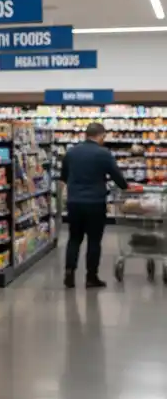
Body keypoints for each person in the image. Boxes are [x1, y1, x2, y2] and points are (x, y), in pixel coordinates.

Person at [60, 122, 133, 288]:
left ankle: (69, 273)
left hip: (74, 202)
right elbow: (117, 176)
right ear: (100, 136)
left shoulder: (71, 153)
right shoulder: (103, 153)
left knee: (74, 239)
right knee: (94, 241)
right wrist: (126, 188)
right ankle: (91, 277)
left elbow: (63, 177)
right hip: (95, 203)